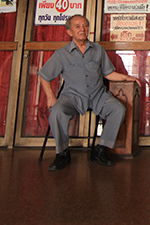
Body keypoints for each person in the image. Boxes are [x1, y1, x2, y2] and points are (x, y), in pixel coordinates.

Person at [38, 14, 140, 171]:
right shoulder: (61, 54)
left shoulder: (98, 50)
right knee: (57, 111)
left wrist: (128, 78)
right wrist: (50, 97)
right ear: (69, 32)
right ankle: (62, 153)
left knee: (118, 109)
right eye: (77, 26)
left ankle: (100, 149)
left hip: (98, 95)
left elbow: (108, 74)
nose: (82, 29)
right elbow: (44, 76)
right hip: (72, 96)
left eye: (85, 25)